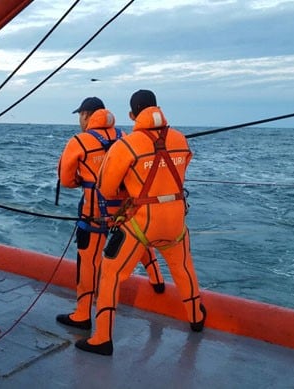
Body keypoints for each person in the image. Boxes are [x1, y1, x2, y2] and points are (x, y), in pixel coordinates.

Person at [76, 89, 206, 356]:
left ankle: (102, 338)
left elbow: (107, 188)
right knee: (183, 269)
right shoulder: (181, 139)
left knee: (110, 272)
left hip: (141, 224)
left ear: (132, 115)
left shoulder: (127, 145)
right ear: (157, 108)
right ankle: (196, 318)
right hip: (176, 221)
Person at [56, 97, 165, 330]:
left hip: (94, 215)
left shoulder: (79, 141)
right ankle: (158, 281)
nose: (79, 120)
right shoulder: (125, 137)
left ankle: (83, 314)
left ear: (86, 115)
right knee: (141, 242)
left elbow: (66, 180)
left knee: (89, 264)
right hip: (126, 213)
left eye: (79, 116)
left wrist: (84, 180)